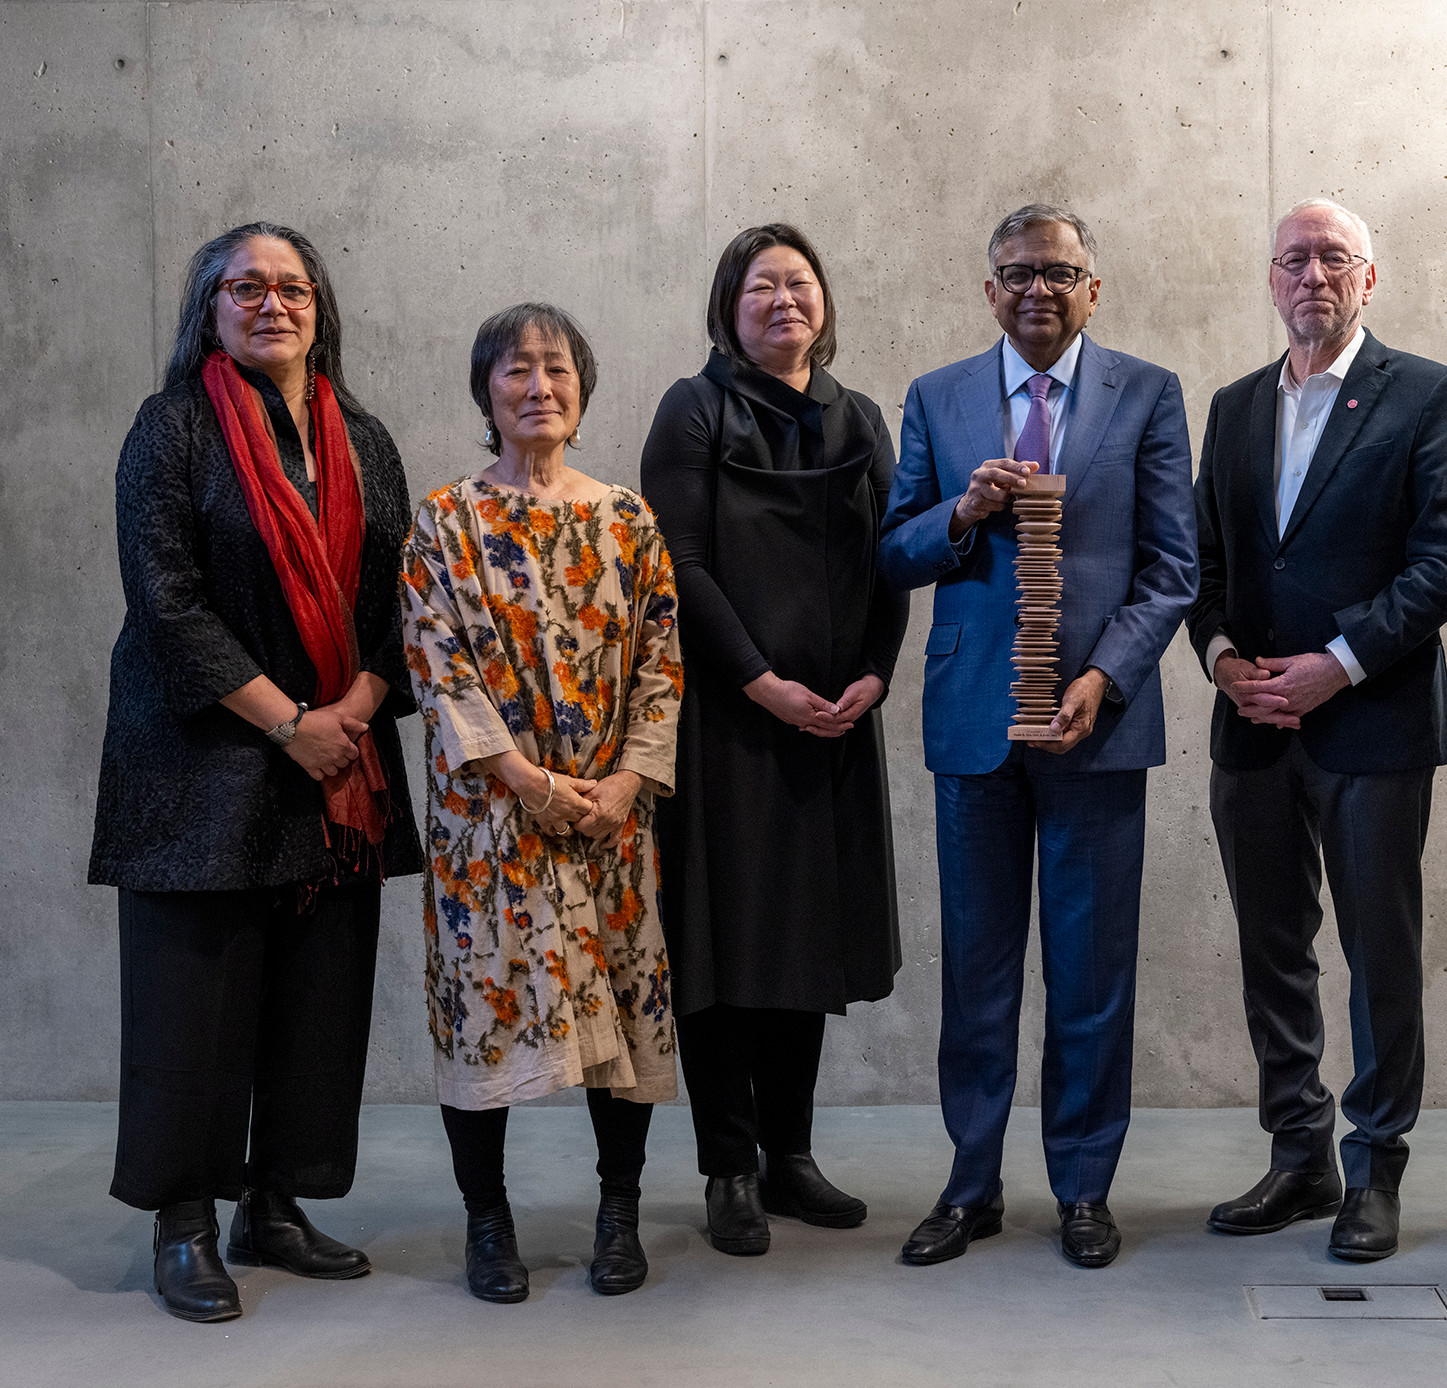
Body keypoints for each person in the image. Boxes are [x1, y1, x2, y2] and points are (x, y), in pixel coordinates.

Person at [89, 221, 421, 1322]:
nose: (271, 302)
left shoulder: (364, 439)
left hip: (338, 760)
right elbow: (165, 601)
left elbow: (400, 606)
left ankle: (274, 1202)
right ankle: (183, 1219)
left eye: (292, 288)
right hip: (205, 760)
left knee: (316, 995)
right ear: (210, 308)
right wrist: (292, 723)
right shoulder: (172, 427)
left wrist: (361, 710)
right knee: (195, 1000)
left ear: (319, 310)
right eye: (247, 286)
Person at [879, 203, 1197, 1270]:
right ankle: (970, 1186)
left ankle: (1082, 1187)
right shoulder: (940, 397)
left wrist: (1107, 677)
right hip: (976, 723)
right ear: (988, 288)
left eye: (1059, 271)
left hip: (1094, 730)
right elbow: (895, 550)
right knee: (977, 972)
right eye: (1016, 272)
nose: (1036, 289)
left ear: (1092, 288)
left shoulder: (1148, 394)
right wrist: (961, 514)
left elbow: (1172, 569)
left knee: (1092, 972)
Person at [1189, 198, 1447, 1263]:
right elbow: (1205, 565)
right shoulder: (1231, 408)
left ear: (1370, 277)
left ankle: (1375, 1169)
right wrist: (1224, 660)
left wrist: (1339, 663)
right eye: (1294, 259)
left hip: (1373, 723)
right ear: (1270, 280)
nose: (1312, 274)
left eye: (1333, 258)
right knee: (1274, 954)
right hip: (1254, 727)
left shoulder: (1429, 395)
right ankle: (1299, 1154)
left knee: (1378, 953)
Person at [401, 303, 683, 1302]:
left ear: (582, 387)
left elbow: (660, 662)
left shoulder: (628, 518)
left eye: (557, 368)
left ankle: (620, 1211)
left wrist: (624, 782)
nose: (538, 385)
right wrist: (528, 781)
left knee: (628, 1012)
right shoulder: (443, 519)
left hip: (612, 819)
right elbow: (438, 669)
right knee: (484, 1008)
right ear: (487, 391)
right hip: (490, 823)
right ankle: (488, 1219)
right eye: (516, 370)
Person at [640, 224, 908, 1257]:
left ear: (825, 303)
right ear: (729, 305)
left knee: (809, 936)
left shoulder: (862, 416)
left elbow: (898, 555)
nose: (786, 300)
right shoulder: (694, 408)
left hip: (836, 718)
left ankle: (792, 1156)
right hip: (725, 717)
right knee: (722, 943)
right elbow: (681, 562)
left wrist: (875, 674)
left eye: (801, 283)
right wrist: (761, 681)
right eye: (763, 287)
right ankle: (729, 1166)